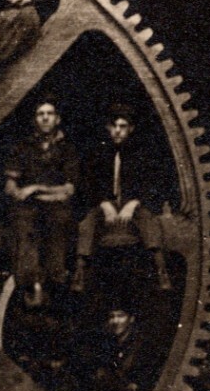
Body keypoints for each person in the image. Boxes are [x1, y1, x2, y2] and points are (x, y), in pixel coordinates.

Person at [72, 103, 171, 294]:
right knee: (87, 224)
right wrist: (104, 204)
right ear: (108, 128)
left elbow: (151, 183)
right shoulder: (99, 153)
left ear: (131, 129)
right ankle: (80, 272)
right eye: (114, 126)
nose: (117, 131)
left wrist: (133, 203)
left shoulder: (142, 153)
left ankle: (161, 271)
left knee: (148, 222)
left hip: (132, 205)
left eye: (122, 126)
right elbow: (89, 183)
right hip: (105, 205)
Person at [4, 100, 79, 307]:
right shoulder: (23, 147)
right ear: (35, 119)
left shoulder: (67, 149)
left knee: (58, 224)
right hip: (29, 209)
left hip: (56, 209)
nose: (45, 117)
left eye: (49, 113)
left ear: (57, 119)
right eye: (40, 114)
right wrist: (17, 191)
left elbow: (68, 190)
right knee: (23, 226)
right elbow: (11, 186)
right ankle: (31, 285)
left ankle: (56, 284)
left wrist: (35, 189)